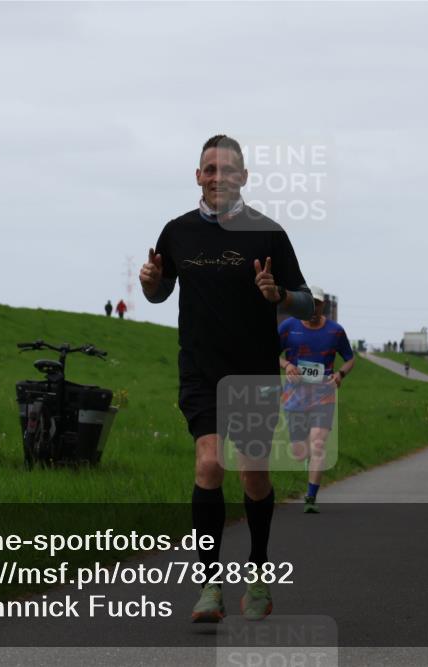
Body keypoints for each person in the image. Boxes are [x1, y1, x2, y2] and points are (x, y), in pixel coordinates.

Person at [140, 134, 313, 623]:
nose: (218, 177)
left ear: (243, 177)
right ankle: (210, 585)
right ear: (198, 176)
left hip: (254, 372)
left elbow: (306, 301)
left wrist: (276, 293)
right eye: (209, 169)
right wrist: (150, 284)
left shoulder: (269, 235)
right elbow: (160, 291)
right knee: (209, 463)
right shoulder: (177, 233)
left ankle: (257, 572)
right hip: (199, 369)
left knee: (253, 475)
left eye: (227, 169)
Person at [278, 286, 355, 514]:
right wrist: (287, 364)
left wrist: (340, 374)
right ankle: (307, 457)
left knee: (319, 444)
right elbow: (270, 354)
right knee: (300, 451)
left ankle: (311, 497)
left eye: (318, 303)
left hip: (324, 396)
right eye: (309, 302)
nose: (313, 307)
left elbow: (350, 359)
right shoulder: (288, 327)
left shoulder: (335, 331)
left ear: (323, 306)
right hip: (294, 397)